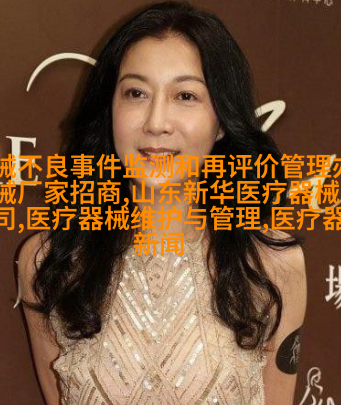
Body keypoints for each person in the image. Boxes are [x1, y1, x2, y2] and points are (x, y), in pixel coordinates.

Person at [17, 1, 307, 404]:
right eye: (136, 93)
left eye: (185, 95)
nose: (156, 122)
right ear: (110, 110)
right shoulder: (51, 261)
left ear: (221, 122)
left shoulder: (271, 263)